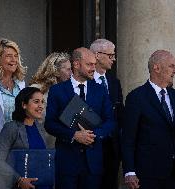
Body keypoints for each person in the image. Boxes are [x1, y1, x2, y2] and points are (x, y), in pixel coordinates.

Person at [44, 47, 115, 189]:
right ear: (76, 64)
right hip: (67, 163)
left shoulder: (100, 90)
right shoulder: (57, 90)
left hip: (93, 163)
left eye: (94, 65)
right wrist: (74, 135)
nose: (93, 69)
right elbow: (50, 124)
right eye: (89, 65)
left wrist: (93, 135)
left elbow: (110, 121)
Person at [122, 50, 175, 189]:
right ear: (156, 68)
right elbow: (128, 138)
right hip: (148, 174)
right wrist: (129, 170)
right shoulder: (136, 97)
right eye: (171, 66)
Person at [0, 87, 53, 189]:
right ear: (24, 104)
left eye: (42, 102)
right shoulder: (11, 128)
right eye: (36, 102)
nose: (41, 106)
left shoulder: (40, 128)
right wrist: (19, 180)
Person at [90, 39, 124, 189]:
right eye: (110, 55)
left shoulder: (114, 82)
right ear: (97, 55)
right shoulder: (85, 80)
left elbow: (120, 113)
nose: (114, 59)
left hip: (112, 147)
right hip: (91, 144)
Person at [30, 52, 71, 147]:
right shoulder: (35, 90)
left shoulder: (67, 91)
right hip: (39, 146)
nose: (71, 73)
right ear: (56, 71)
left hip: (61, 147)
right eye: (68, 69)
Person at [0, 38, 26, 131]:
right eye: (9, 56)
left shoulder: (21, 84)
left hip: (19, 139)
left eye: (16, 56)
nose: (14, 60)